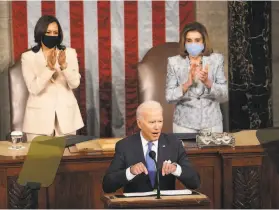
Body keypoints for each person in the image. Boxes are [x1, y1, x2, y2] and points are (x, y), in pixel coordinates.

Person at [102, 100, 200, 193]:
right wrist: (130, 172)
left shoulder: (173, 143)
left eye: (160, 121)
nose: (157, 127)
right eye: (152, 122)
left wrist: (176, 169)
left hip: (165, 206)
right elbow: (107, 185)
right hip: (137, 206)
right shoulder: (125, 146)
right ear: (139, 123)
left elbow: (195, 182)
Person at [21, 15, 84, 141]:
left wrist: (63, 66)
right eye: (48, 32)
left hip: (67, 120)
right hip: (38, 122)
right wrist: (49, 69)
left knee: (67, 159)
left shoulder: (69, 53)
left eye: (55, 32)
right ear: (40, 33)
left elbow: (75, 83)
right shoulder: (28, 57)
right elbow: (34, 89)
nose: (52, 35)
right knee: (40, 160)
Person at [165, 22, 228, 133]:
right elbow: (169, 97)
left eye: (197, 40)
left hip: (212, 124)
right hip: (183, 125)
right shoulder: (174, 62)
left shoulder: (216, 60)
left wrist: (208, 82)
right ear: (184, 42)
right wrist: (187, 84)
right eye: (189, 41)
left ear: (204, 41)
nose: (193, 44)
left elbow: (224, 96)